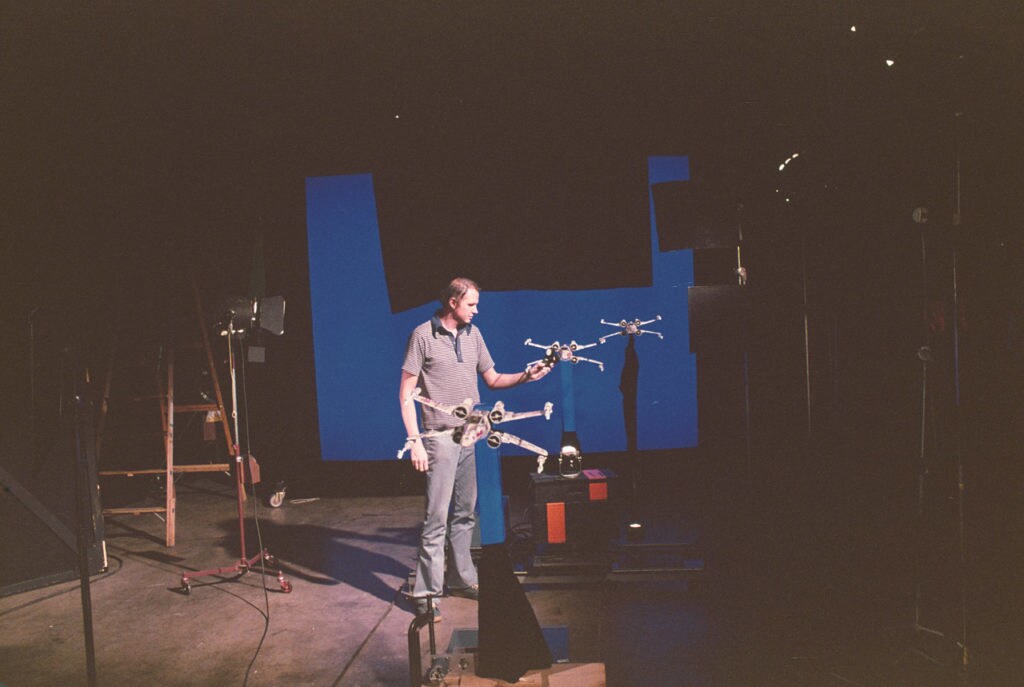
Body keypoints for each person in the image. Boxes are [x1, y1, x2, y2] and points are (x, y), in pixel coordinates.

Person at [400, 277, 552, 620]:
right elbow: (406, 394)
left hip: (471, 433)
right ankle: (426, 593)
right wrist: (415, 442)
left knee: (465, 513)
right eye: (471, 304)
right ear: (453, 302)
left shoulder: (474, 335)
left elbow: (494, 379)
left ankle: (461, 578)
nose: (476, 310)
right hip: (438, 437)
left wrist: (528, 375)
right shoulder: (423, 335)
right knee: (436, 517)